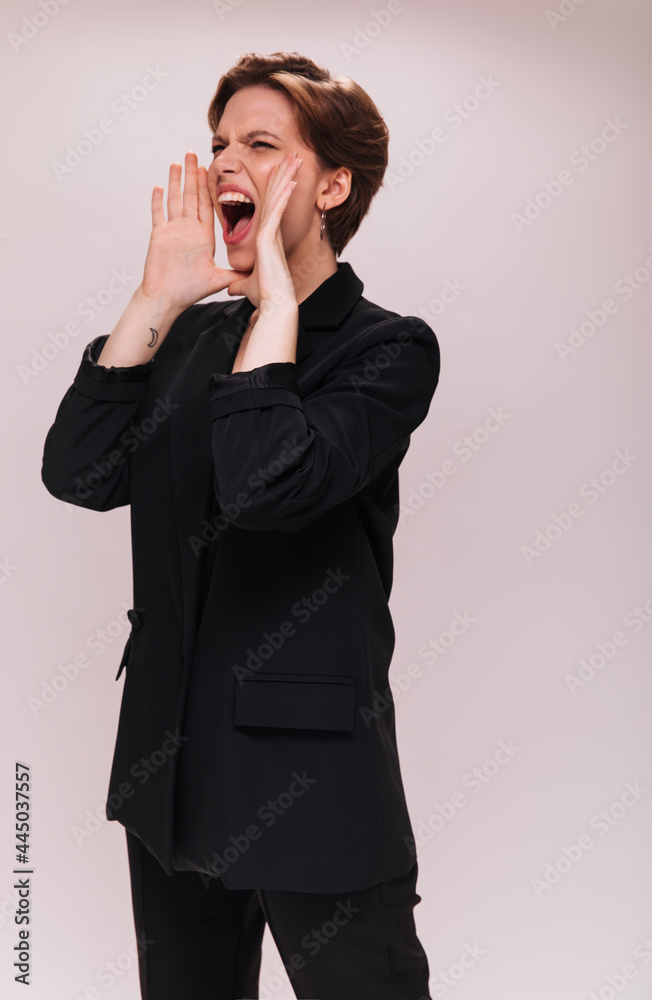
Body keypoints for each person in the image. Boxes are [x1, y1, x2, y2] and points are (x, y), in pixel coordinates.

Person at [41, 51, 440, 1000]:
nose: (224, 160)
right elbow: (79, 474)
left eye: (259, 143)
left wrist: (276, 303)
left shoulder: (387, 348)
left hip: (313, 780)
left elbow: (269, 486)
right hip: (170, 774)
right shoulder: (188, 337)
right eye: (219, 141)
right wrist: (156, 300)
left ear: (331, 185)